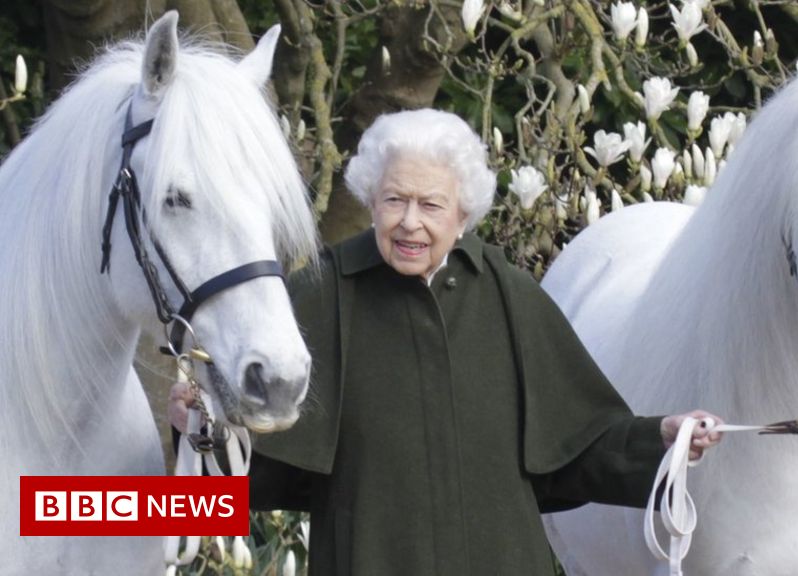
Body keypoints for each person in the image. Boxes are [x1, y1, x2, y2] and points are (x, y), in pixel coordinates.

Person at [169, 108, 722, 575]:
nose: (410, 222)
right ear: (370, 201)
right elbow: (261, 470)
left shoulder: (507, 293)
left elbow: (573, 451)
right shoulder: (319, 293)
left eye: (430, 205)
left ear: (462, 216)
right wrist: (203, 428)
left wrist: (662, 441)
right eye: (394, 200)